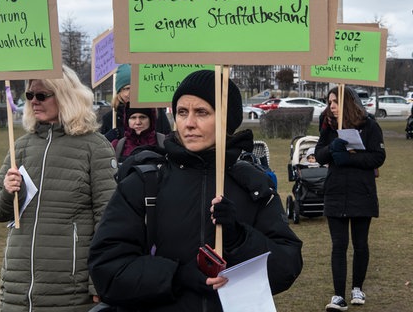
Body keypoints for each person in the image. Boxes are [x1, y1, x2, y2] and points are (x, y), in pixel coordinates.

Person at [89, 69, 303, 311]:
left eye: (202, 112)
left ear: (226, 119)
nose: (189, 123)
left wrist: (240, 239)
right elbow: (107, 268)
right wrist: (176, 276)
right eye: (182, 112)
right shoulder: (145, 183)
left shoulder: (252, 187)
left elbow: (286, 268)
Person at [0, 65, 118, 312]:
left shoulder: (95, 148)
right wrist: (7, 192)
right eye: (29, 95)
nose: (33, 101)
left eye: (41, 95)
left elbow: (108, 220)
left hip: (69, 291)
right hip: (18, 290)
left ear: (65, 96)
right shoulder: (21, 147)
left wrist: (98, 281)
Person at [315, 86, 386, 311]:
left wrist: (350, 159)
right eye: (329, 102)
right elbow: (318, 155)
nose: (331, 106)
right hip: (335, 192)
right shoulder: (328, 126)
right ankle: (338, 296)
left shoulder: (370, 126)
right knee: (338, 245)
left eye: (335, 102)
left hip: (361, 193)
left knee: (360, 243)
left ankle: (357, 288)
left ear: (348, 102)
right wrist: (331, 148)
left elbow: (378, 157)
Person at [100, 64, 172, 140]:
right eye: (127, 88)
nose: (132, 92)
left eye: (135, 87)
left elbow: (167, 139)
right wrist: (106, 140)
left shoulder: (157, 113)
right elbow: (101, 149)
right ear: (119, 92)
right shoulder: (110, 118)